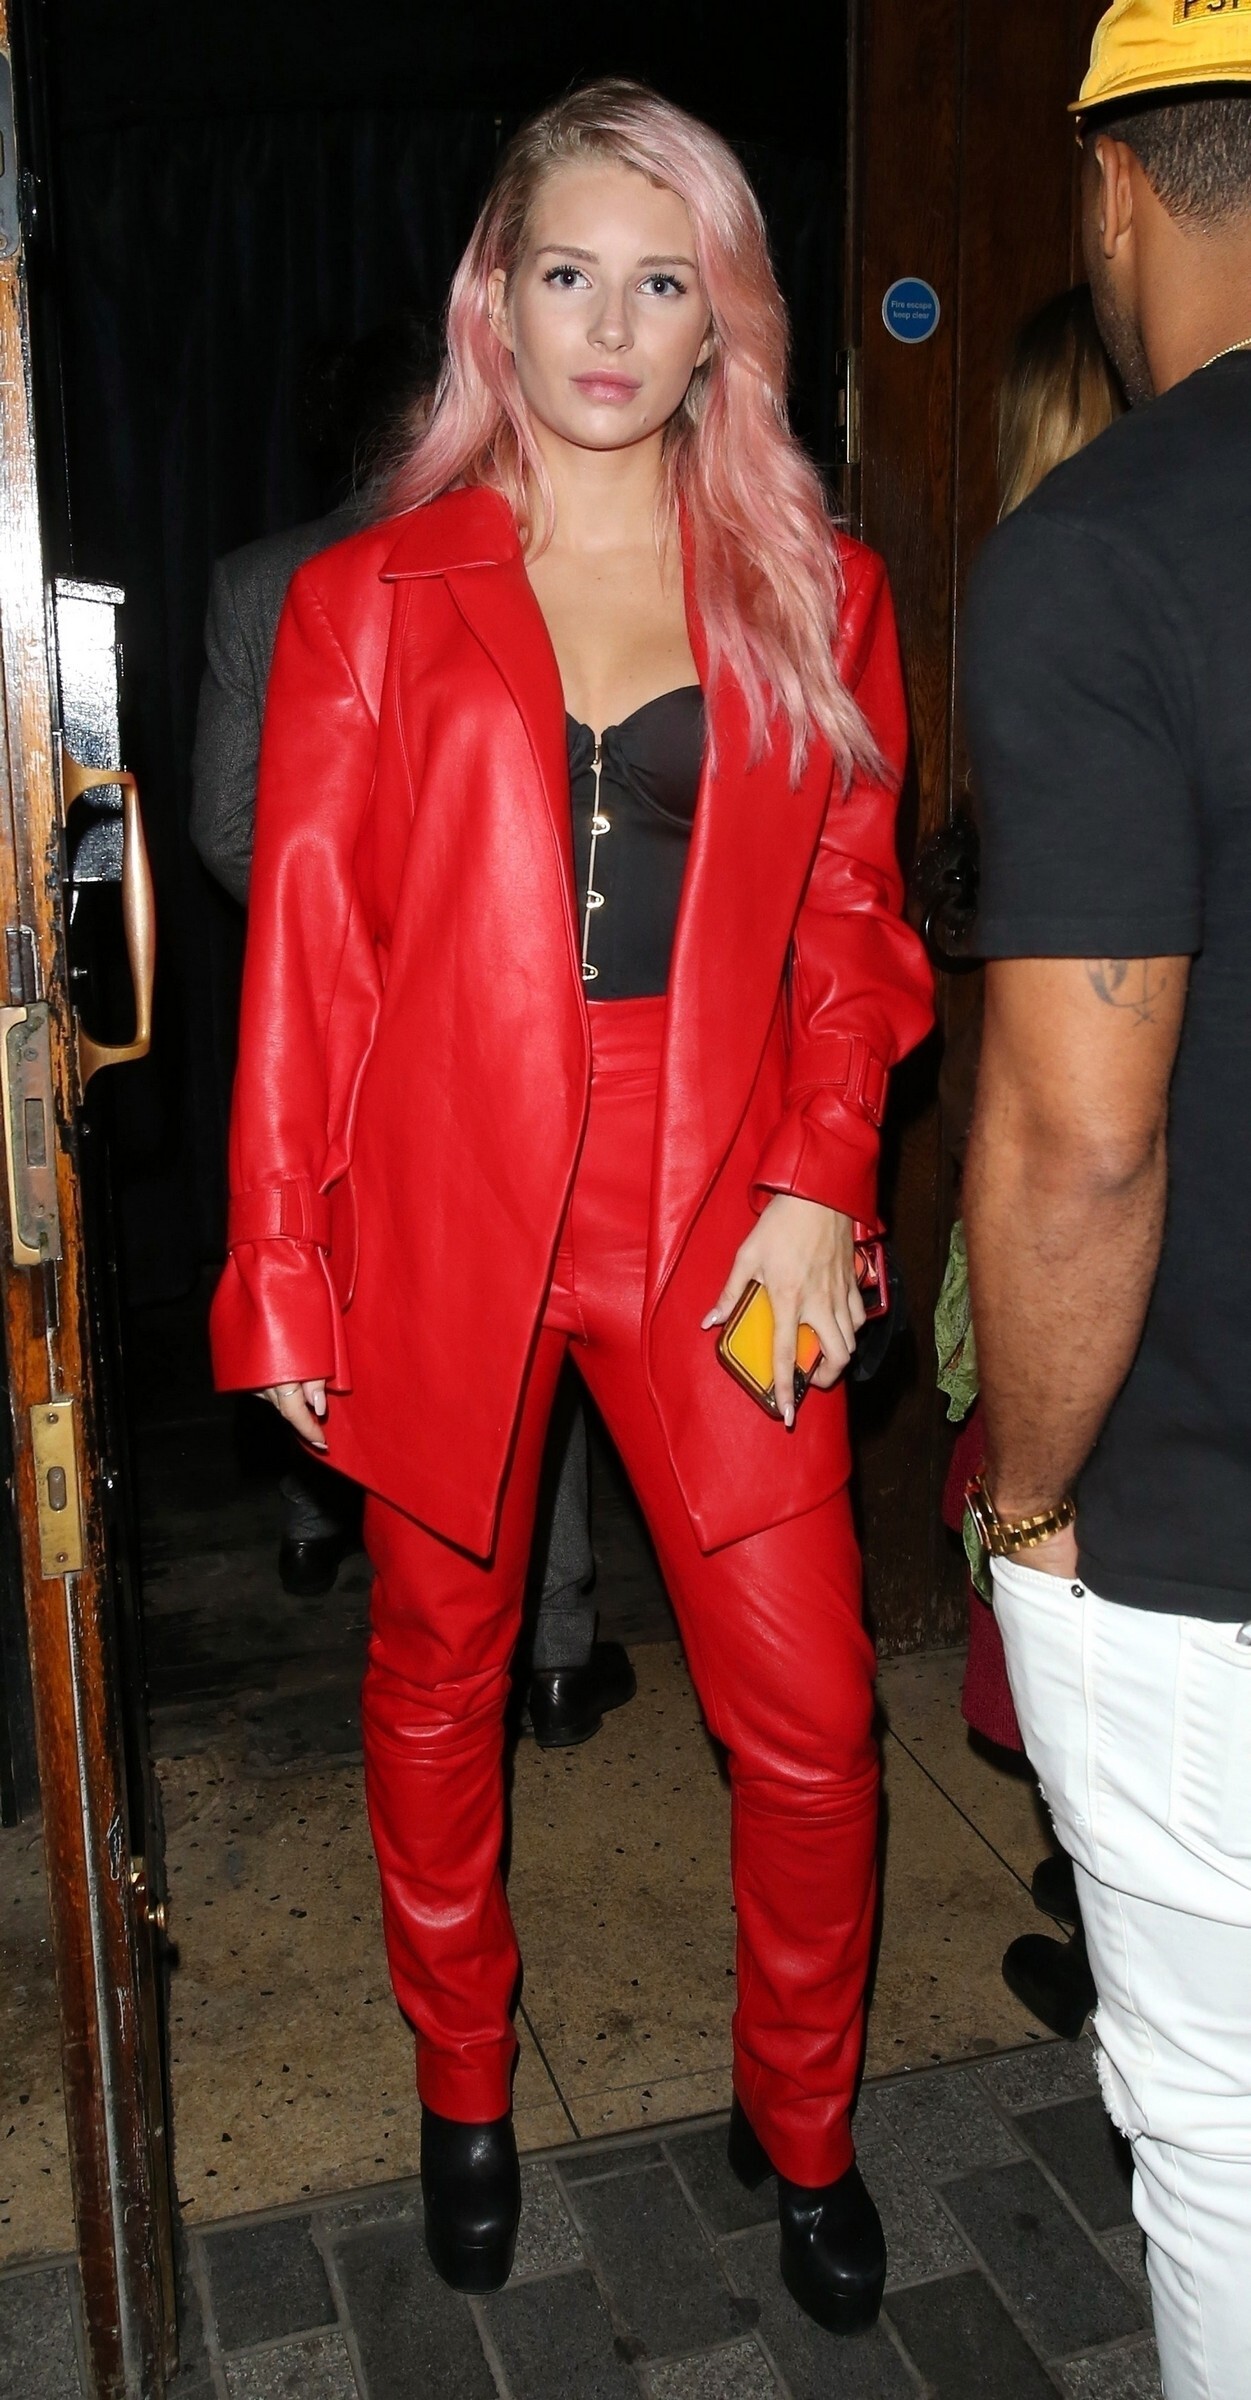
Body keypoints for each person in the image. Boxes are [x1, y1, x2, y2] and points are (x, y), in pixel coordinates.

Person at [210, 80, 932, 2322]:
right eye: (566, 275)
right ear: (493, 303)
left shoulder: (815, 588)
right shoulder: (363, 601)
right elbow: (307, 962)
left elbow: (854, 925)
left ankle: (797, 2116)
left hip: (725, 1213)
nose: (611, 330)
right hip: (444, 1202)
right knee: (435, 1675)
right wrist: (281, 1266)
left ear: (723, 321)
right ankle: (462, 2088)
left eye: (662, 281)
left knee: (812, 1714)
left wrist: (821, 1177)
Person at [963, 5, 1251, 2394]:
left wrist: (1027, 1495)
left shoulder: (1105, 553)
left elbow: (1081, 1137)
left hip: (1209, 1542)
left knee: (1224, 2139)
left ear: (1111, 189)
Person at [191, 330, 632, 1754]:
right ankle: (556, 1649)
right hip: (475, 1023)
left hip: (346, 1019)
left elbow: (223, 824)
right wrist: (413, 937)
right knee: (508, 1327)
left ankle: (313, 1527)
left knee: (374, 1300)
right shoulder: (501, 573)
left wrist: (339, 942)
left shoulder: (258, 575)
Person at [938, 284, 1124, 2042]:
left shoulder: (1063, 594)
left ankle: (1122, 1932)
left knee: (1068, 1524)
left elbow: (1076, 1128)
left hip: (1097, 1159)